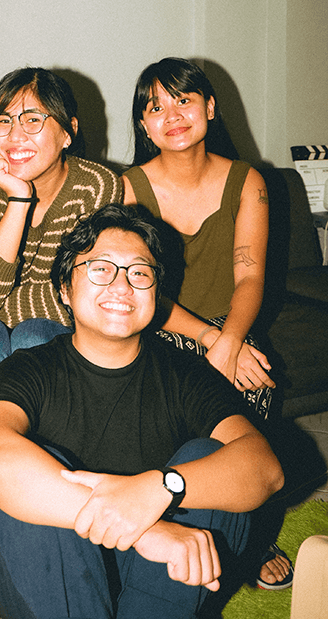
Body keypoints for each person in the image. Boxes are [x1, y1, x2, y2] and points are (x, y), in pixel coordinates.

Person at [0, 203, 284, 618]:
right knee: (33, 473)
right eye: (101, 269)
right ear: (65, 289)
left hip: (159, 583)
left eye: (139, 273)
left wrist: (161, 487)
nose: (121, 286)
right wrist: (143, 530)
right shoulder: (31, 368)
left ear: (156, 293)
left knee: (207, 457)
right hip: (54, 577)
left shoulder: (184, 373)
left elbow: (265, 469)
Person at [0, 67, 121, 619]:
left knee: (32, 333)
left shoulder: (97, 187)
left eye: (34, 120)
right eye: (3, 121)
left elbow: (77, 295)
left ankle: (33, 507)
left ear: (68, 131)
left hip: (47, 329)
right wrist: (16, 201)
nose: (14, 136)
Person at [121, 57, 291, 589]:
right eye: (156, 107)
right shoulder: (129, 188)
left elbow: (250, 276)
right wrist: (211, 339)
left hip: (226, 324)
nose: (172, 115)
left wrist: (232, 339)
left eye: (183, 100)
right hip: (155, 325)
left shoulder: (247, 181)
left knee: (254, 379)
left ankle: (249, 530)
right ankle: (167, 518)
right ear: (144, 124)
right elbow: (138, 289)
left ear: (210, 108)